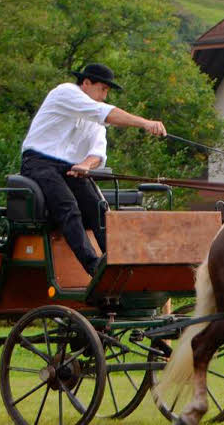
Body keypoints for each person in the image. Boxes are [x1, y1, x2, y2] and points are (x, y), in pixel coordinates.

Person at [20, 63, 167, 275]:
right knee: (68, 206)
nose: (104, 96)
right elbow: (105, 113)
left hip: (69, 168)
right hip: (38, 162)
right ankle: (94, 267)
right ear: (86, 83)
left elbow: (98, 153)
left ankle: (120, 263)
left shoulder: (94, 119)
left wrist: (85, 165)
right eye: (103, 89)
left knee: (98, 206)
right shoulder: (66, 92)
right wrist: (144, 123)